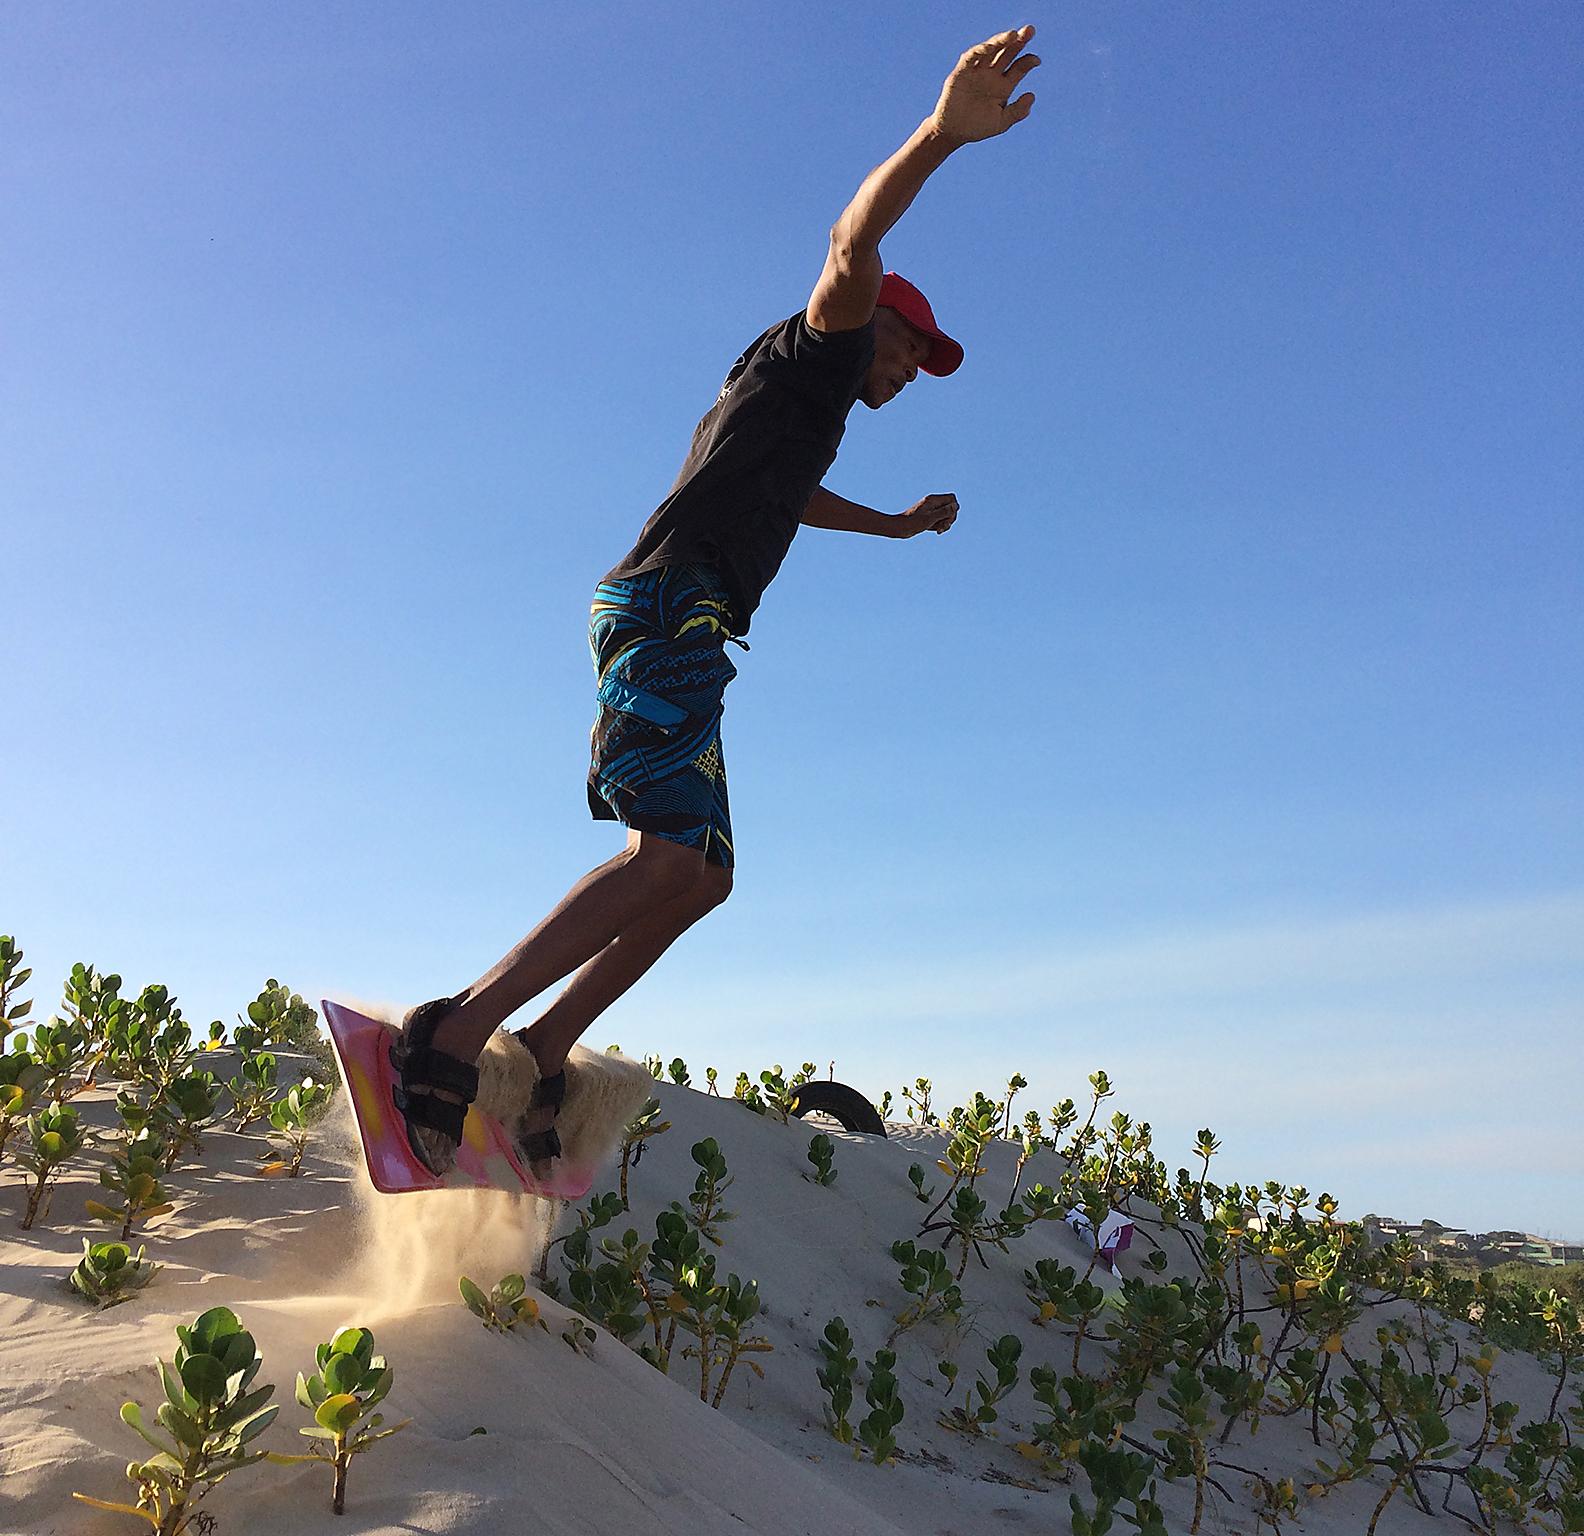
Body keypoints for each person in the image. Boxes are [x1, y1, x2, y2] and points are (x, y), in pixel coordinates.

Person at [391, 25, 1041, 1176]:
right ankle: (458, 1027)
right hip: (665, 606)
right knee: (663, 853)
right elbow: (854, 238)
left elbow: (792, 498)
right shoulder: (819, 349)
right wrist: (942, 134)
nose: (910, 368)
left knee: (706, 875)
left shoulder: (800, 418)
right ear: (876, 318)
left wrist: (892, 526)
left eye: (922, 361)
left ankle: (546, 1044)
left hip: (694, 615)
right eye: (910, 345)